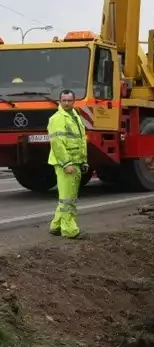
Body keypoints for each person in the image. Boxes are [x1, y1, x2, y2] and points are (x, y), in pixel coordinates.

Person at [47, 88, 88, 239]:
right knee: (68, 199)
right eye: (64, 100)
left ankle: (56, 226)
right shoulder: (58, 118)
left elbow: (81, 141)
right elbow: (57, 144)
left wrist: (83, 161)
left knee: (67, 197)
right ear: (60, 101)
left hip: (74, 162)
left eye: (69, 100)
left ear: (73, 101)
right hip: (66, 164)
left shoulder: (74, 116)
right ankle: (69, 230)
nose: (66, 103)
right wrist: (66, 163)